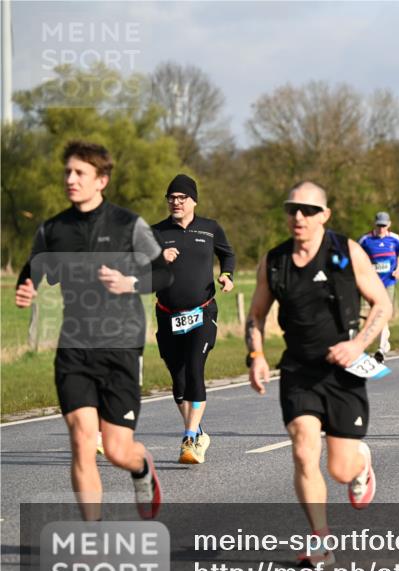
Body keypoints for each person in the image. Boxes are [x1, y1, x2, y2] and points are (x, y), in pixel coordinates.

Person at [14, 140, 169, 521]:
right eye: (67, 171)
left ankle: (140, 467)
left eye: (79, 173)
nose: (70, 179)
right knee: (83, 441)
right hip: (74, 347)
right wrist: (27, 285)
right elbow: (34, 267)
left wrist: (129, 283)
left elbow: (164, 272)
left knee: (117, 450)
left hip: (120, 346)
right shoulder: (53, 230)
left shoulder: (128, 225)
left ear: (101, 180)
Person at [246, 181, 390, 565]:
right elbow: (256, 315)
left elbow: (382, 303)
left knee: (339, 470)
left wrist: (358, 344)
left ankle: (360, 461)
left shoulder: (346, 253)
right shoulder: (274, 261)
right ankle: (320, 540)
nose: (299, 217)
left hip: (343, 371)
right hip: (299, 369)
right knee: (303, 448)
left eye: (308, 210)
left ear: (324, 215)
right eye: (293, 209)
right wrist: (256, 354)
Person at [152, 174, 235, 464]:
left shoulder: (210, 229)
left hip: (202, 312)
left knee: (195, 368)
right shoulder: (155, 232)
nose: (175, 202)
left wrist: (227, 275)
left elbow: (228, 255)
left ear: (193, 201)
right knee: (178, 379)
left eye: (181, 198)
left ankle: (188, 436)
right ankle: (198, 432)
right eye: (171, 198)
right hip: (167, 316)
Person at [358, 211, 399, 363]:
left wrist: (398, 269)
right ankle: (383, 344)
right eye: (379, 226)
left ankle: (381, 348)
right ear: (375, 224)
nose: (381, 229)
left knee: (383, 314)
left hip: (388, 282)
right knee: (367, 316)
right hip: (371, 283)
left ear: (389, 225)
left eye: (384, 226)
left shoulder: (395, 239)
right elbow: (356, 255)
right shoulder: (366, 240)